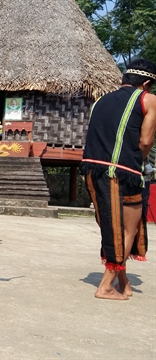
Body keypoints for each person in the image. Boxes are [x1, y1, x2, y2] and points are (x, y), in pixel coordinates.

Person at [80, 59, 156, 300]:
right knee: (126, 229)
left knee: (112, 228)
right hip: (124, 171)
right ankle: (105, 286)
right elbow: (145, 141)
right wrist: (139, 161)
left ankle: (123, 281)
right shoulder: (148, 100)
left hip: (93, 169)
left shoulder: (100, 101)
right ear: (146, 84)